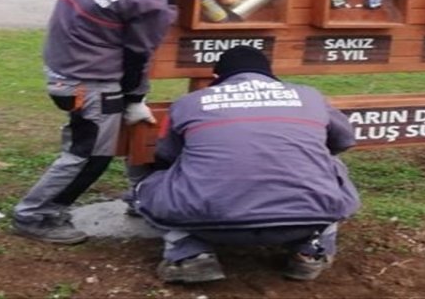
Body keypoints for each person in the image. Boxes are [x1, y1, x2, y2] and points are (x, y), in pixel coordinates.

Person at [11, 0, 226, 245]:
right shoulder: (153, 2)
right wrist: (136, 99)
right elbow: (137, 56)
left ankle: (141, 197)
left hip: (62, 61)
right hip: (89, 79)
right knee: (89, 155)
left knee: (109, 139)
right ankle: (35, 215)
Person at [134, 45, 361, 284]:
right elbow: (344, 141)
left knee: (155, 182)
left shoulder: (189, 102)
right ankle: (312, 250)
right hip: (305, 219)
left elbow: (166, 154)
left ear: (216, 78)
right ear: (269, 74)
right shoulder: (309, 95)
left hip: (208, 221)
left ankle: (188, 252)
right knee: (332, 169)